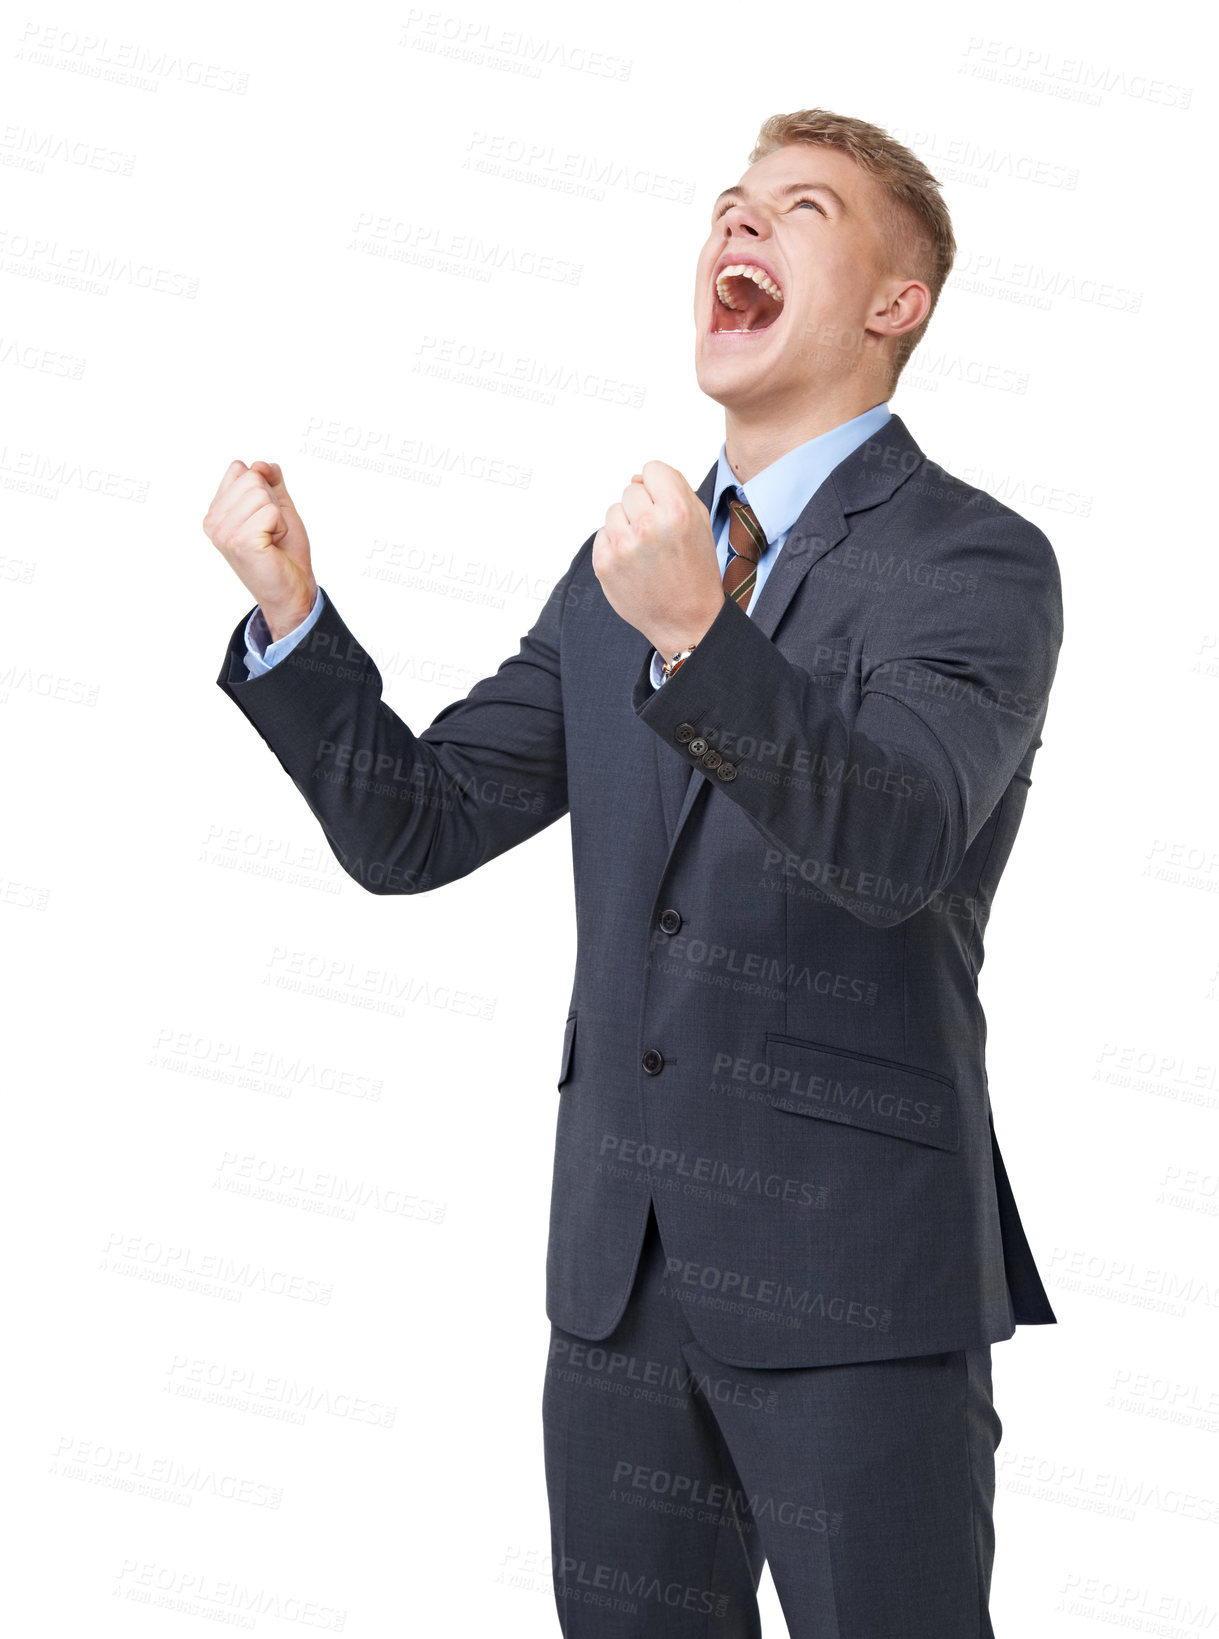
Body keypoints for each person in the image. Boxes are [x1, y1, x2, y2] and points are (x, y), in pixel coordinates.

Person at [203, 108, 1063, 1638]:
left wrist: (698, 638)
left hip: (855, 1283)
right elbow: (420, 823)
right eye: (728, 206)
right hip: (617, 1289)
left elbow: (899, 843)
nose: (738, 226)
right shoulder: (628, 570)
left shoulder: (973, 561)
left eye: (797, 209)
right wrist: (293, 624)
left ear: (895, 301)